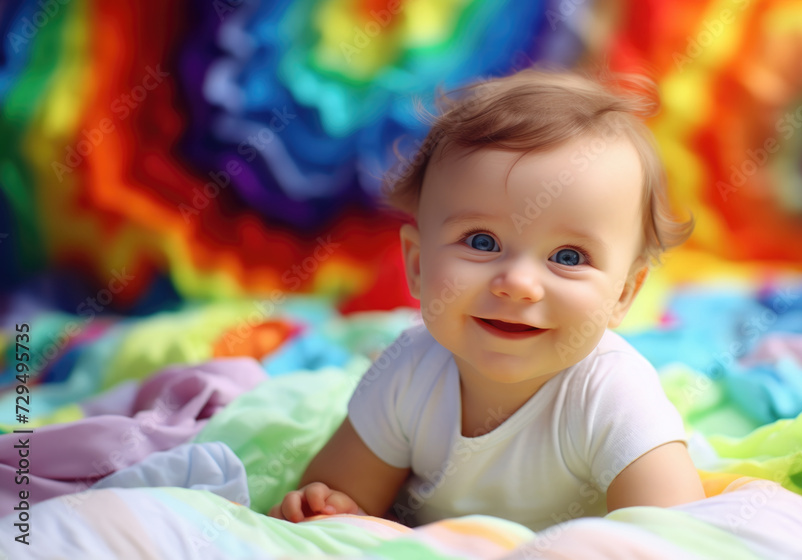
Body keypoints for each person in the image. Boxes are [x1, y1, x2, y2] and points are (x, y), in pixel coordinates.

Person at [268, 66, 704, 531]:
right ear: (418, 265)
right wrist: (328, 508)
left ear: (624, 294)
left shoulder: (613, 394)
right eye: (481, 242)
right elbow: (339, 499)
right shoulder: (406, 371)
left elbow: (673, 535)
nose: (517, 283)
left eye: (568, 256)